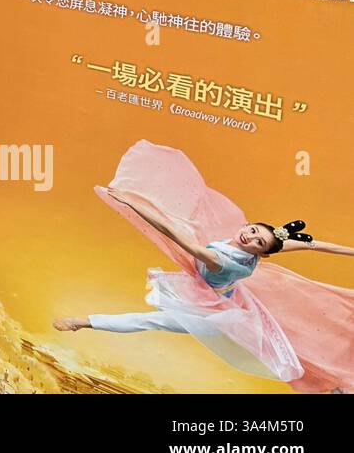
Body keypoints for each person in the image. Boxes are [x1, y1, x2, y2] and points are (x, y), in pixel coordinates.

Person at [53, 141, 354, 394]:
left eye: (258, 242)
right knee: (287, 345)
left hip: (215, 314)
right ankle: (333, 385)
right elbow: (315, 244)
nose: (249, 237)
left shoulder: (223, 262)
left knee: (155, 321)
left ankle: (83, 322)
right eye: (252, 231)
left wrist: (136, 206)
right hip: (234, 301)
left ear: (263, 253)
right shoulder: (251, 245)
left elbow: (179, 238)